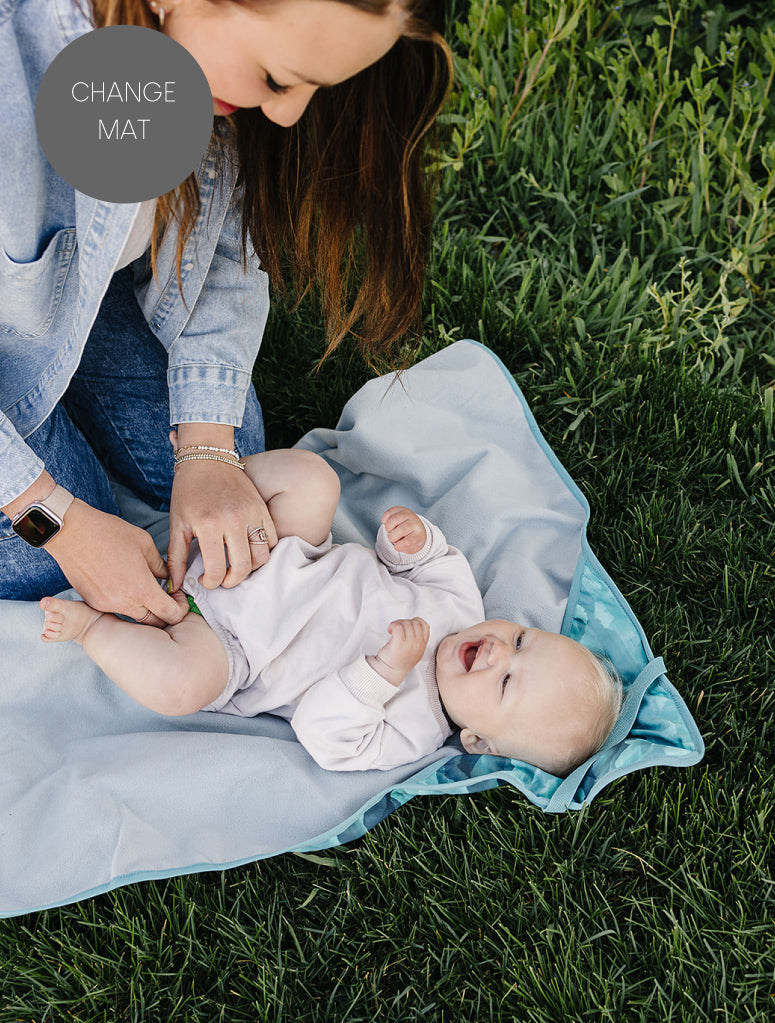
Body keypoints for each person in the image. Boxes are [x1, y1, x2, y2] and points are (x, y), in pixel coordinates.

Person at [1, 0, 452, 623]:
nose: (289, 113)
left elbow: (217, 253)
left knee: (233, 453)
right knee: (41, 559)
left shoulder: (188, 64)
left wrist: (206, 447)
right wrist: (54, 519)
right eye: (277, 79)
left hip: (55, 297)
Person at [40, 449, 623, 776]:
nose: (498, 653)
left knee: (178, 686)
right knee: (311, 480)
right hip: (279, 557)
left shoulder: (415, 729)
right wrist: (410, 541)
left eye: (505, 685)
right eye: (521, 641)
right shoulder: (462, 607)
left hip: (234, 648)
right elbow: (432, 560)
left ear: (477, 740)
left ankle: (96, 630)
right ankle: (202, 489)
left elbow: (324, 735)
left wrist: (382, 674)